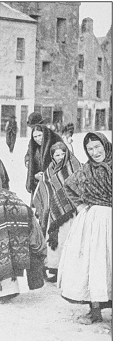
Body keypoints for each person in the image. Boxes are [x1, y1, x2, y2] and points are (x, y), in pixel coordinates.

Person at [58, 132, 112, 325]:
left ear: (105, 145)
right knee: (93, 264)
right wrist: (80, 206)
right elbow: (68, 185)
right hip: (94, 221)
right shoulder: (86, 169)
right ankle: (95, 310)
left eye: (98, 147)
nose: (95, 152)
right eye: (90, 149)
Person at [33, 142, 81, 282]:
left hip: (70, 212)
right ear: (52, 156)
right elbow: (46, 188)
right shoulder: (49, 170)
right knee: (56, 241)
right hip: (54, 213)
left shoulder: (75, 166)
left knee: (68, 239)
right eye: (57, 155)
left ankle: (68, 270)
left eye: (62, 154)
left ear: (67, 153)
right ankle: (55, 269)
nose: (60, 157)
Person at [25, 125, 63, 203]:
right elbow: (28, 155)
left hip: (53, 184)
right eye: (35, 136)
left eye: (40, 135)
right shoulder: (33, 145)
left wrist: (46, 175)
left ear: (44, 134)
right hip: (37, 183)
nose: (38, 139)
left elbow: (61, 161)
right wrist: (28, 163)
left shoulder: (54, 142)